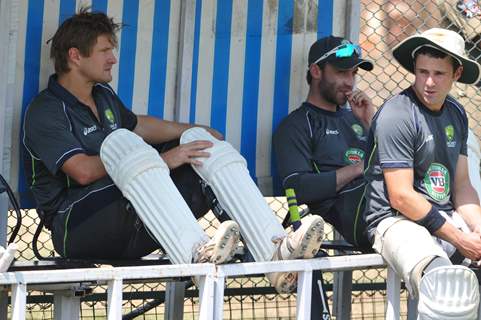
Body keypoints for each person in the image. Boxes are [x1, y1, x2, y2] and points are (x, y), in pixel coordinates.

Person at [22, 9, 324, 294]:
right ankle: (195, 254)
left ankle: (276, 252)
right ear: (75, 56)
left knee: (200, 147)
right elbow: (83, 171)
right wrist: (162, 160)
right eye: (105, 51)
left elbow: (139, 124)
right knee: (125, 146)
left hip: (134, 219)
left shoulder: (102, 96)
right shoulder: (46, 110)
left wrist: (194, 131)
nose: (113, 59)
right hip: (77, 227)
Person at [362, 28, 481, 318]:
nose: (428, 82)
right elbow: (401, 197)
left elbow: (462, 186)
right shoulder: (397, 114)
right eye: (422, 71)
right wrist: (459, 239)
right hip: (393, 221)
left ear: (457, 73)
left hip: (442, 217)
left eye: (439, 73)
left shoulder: (456, 112)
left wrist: (478, 230)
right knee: (444, 282)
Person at [273, 36, 375, 250]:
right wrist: (358, 168)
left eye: (353, 73)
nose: (350, 81)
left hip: (387, 194)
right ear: (316, 71)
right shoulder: (298, 124)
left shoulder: (356, 117)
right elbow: (297, 187)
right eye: (341, 72)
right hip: (359, 212)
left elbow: (393, 159)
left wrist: (369, 123)